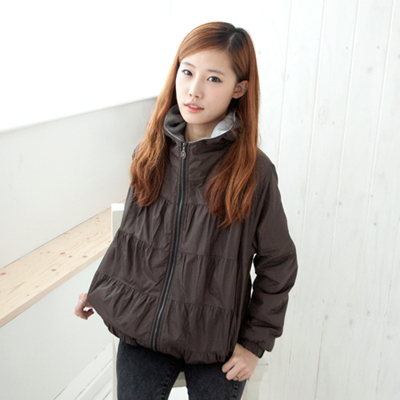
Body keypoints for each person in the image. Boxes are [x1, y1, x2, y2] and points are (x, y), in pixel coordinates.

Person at [75, 21, 297, 400]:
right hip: (145, 329)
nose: (194, 90)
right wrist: (103, 290)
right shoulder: (151, 153)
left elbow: (279, 262)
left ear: (239, 89)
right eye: (187, 72)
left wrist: (253, 344)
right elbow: (131, 237)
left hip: (216, 338)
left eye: (214, 79)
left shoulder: (253, 172)